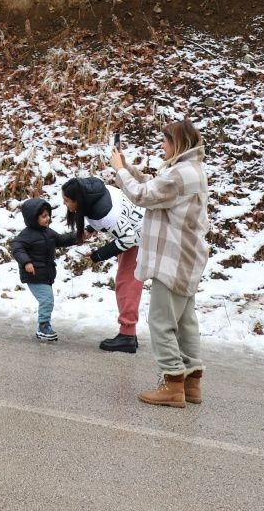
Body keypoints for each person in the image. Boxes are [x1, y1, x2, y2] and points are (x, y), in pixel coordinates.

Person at [111, 119, 209, 408]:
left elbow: (143, 195)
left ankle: (172, 384)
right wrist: (127, 168)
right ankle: (191, 383)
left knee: (161, 321)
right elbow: (154, 188)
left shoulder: (181, 174)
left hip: (173, 258)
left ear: (177, 142)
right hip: (185, 256)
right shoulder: (186, 170)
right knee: (185, 322)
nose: (162, 145)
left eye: (165, 140)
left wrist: (118, 171)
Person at [62, 177, 145, 353]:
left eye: (67, 201)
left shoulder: (107, 215)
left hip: (140, 236)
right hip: (137, 228)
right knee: (126, 283)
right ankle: (129, 334)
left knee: (127, 284)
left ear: (79, 200)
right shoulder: (96, 192)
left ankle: (127, 336)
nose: (65, 204)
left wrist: (97, 255)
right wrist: (91, 230)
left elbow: (128, 237)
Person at [11, 198, 78, 342]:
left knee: (47, 299)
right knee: (47, 299)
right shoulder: (26, 235)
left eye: (48, 215)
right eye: (43, 216)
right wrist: (26, 262)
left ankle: (43, 326)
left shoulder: (48, 232)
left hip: (45, 273)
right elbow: (17, 249)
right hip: (33, 274)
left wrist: (78, 236)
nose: (48, 218)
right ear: (33, 218)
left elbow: (61, 239)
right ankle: (43, 326)